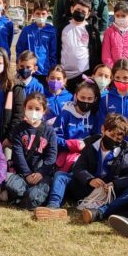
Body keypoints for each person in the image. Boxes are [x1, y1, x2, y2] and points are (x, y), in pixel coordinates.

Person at [42, 81, 101, 214]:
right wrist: (71, 145)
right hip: (66, 161)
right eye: (82, 98)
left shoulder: (95, 116)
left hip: (87, 164)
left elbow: (98, 137)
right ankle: (53, 206)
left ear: (95, 99)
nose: (85, 101)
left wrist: (85, 144)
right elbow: (54, 139)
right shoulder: (65, 113)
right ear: (75, 96)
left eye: (89, 99)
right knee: (60, 176)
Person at [74, 114, 128, 226]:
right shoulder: (90, 145)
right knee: (61, 176)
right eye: (111, 135)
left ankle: (98, 213)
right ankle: (53, 206)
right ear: (103, 129)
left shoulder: (126, 154)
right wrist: (89, 180)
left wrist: (115, 184)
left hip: (111, 194)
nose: (114, 139)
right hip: (88, 188)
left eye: (118, 138)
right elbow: (78, 168)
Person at [5, 93, 57, 211]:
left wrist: (41, 173)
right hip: (22, 174)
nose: (33, 111)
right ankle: (26, 198)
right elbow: (18, 154)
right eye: (30, 108)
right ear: (24, 108)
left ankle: (24, 199)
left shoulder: (49, 132)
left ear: (44, 111)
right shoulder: (18, 128)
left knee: (33, 195)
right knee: (10, 185)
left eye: (37, 109)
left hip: (41, 174)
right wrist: (27, 174)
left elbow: (51, 157)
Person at [53, 0, 109, 65]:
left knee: (91, 64)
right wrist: (60, 34)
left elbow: (104, 17)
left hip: (90, 37)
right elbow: (57, 15)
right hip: (69, 35)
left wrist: (100, 35)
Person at [15, 0, 56, 77]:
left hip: (45, 71)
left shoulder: (52, 31)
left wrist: (52, 70)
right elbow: (19, 49)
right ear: (33, 14)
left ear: (48, 14)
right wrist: (19, 66)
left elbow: (53, 53)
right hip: (28, 70)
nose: (40, 16)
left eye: (43, 14)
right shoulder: (27, 30)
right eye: (38, 13)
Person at [59, 0, 93, 90]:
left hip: (83, 74)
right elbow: (58, 47)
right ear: (71, 9)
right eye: (77, 9)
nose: (80, 12)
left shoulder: (91, 30)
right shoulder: (63, 27)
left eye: (83, 11)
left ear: (88, 14)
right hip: (63, 74)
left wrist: (91, 73)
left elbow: (95, 52)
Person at [101, 1, 128, 67]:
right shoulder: (109, 32)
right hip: (113, 71)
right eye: (117, 15)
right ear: (114, 15)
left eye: (123, 16)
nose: (120, 18)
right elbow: (106, 54)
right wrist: (113, 69)